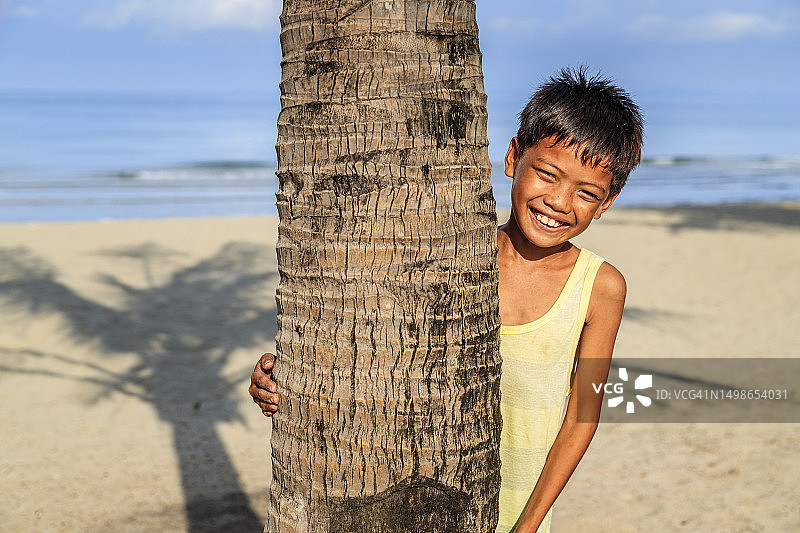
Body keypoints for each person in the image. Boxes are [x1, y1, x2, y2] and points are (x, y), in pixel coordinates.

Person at [250, 67, 643, 533]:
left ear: (607, 202)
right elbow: (371, 344)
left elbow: (583, 415)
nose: (559, 201)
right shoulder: (454, 256)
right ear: (514, 156)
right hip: (415, 498)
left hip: (520, 510)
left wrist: (528, 526)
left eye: (586, 193)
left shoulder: (599, 287)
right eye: (547, 174)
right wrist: (294, 375)